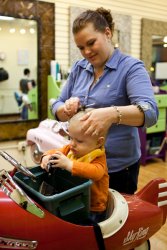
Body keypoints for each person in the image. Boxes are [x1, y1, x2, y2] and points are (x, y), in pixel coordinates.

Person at [51, 7, 159, 194]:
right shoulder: (79, 68)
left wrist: (111, 114)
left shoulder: (130, 68)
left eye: (91, 43)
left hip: (117, 168)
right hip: (80, 164)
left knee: (113, 220)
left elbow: (150, 112)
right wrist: (65, 109)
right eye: (80, 48)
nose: (86, 52)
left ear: (107, 33)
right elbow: (56, 104)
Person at [41, 110, 109, 223]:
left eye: (79, 141)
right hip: (74, 200)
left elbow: (96, 173)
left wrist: (69, 164)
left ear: (98, 142)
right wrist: (45, 157)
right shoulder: (70, 149)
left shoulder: (98, 157)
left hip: (92, 207)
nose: (72, 143)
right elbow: (53, 152)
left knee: (89, 232)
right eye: (70, 138)